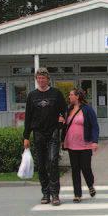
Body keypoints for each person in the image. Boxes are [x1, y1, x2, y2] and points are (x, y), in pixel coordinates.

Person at [23, 68, 67, 206]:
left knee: (53, 162)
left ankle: (55, 194)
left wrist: (62, 118)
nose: (41, 80)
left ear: (48, 79)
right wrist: (26, 136)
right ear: (36, 80)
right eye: (39, 78)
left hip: (53, 131)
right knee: (41, 165)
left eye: (43, 78)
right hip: (38, 133)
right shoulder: (32, 96)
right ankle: (45, 193)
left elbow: (64, 110)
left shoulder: (56, 94)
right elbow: (28, 117)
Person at [62, 88, 99, 203]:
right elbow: (65, 125)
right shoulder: (69, 109)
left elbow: (94, 126)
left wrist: (95, 141)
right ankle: (77, 194)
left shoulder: (87, 109)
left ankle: (90, 185)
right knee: (75, 169)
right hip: (71, 143)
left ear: (77, 96)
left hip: (85, 144)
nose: (69, 97)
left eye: (71, 95)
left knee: (85, 167)